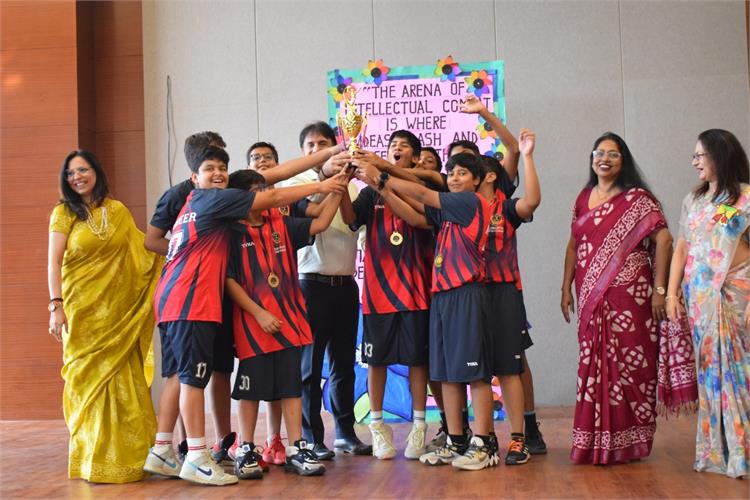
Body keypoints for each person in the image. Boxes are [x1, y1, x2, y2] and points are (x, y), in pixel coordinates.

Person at [152, 145, 348, 486]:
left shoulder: (201, 206)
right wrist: (322, 183)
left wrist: (332, 166)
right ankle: (198, 455)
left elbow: (280, 185)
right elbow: (274, 193)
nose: (217, 173)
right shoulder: (216, 202)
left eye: (221, 168)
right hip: (192, 301)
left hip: (175, 301)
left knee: (178, 377)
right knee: (194, 379)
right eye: (209, 168)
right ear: (194, 176)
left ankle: (161, 450)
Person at [355, 152, 496, 470]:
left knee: (475, 372)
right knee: (445, 373)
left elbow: (421, 194)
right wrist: (382, 190)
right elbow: (416, 217)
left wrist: (381, 176)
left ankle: (484, 444)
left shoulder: (468, 202)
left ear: (476, 180)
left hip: (466, 293)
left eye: (462, 173)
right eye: (452, 173)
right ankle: (456, 440)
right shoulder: (448, 210)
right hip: (442, 296)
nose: (455, 178)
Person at [48, 150, 163, 483]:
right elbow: (53, 262)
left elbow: (143, 253)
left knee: (124, 380)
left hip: (117, 316)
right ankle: (90, 460)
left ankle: (131, 459)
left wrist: (180, 248)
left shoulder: (118, 212)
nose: (77, 177)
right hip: (80, 315)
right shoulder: (63, 213)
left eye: (83, 170)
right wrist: (56, 305)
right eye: (71, 173)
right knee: (85, 384)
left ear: (96, 172)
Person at [561, 132, 672, 464]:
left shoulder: (638, 199)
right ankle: (594, 442)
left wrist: (660, 290)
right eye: (599, 153)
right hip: (591, 296)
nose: (604, 159)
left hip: (631, 297)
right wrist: (565, 286)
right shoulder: (583, 198)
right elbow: (573, 245)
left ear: (624, 161)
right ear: (592, 158)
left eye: (613, 154)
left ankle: (630, 441)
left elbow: (664, 240)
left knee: (633, 366)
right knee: (593, 363)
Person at [226, 169, 346, 478]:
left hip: (289, 322)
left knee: (291, 387)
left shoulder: (280, 223)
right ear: (240, 198)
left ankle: (296, 448)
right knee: (250, 390)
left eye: (265, 188)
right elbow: (228, 281)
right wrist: (259, 313)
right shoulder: (231, 231)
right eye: (256, 190)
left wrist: (339, 187)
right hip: (254, 325)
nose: (265, 194)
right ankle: (246, 448)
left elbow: (320, 223)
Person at [666, 128, 750, 479]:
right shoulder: (694, 200)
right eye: (695, 156)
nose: (695, 162)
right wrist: (671, 293)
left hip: (737, 295)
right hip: (700, 301)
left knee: (740, 372)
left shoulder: (745, 197)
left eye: (700, 155)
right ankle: (717, 450)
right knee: (710, 375)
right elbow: (681, 248)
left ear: (720, 155)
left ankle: (742, 452)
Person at [288, 121, 371, 459]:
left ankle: (345, 433)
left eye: (323, 143)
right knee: (309, 368)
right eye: (310, 145)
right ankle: (311, 438)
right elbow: (310, 209)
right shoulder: (297, 183)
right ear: (303, 152)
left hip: (346, 285)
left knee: (344, 366)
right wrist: (326, 176)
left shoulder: (353, 188)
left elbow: (358, 226)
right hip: (311, 285)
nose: (317, 149)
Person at [350, 130, 432, 460]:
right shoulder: (370, 194)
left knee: (417, 360)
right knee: (376, 361)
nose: (396, 149)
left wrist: (383, 177)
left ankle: (419, 426)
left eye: (404, 146)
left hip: (415, 291)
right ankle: (377, 426)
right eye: (392, 146)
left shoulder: (421, 186)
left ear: (415, 156)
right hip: (378, 292)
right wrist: (342, 184)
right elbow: (351, 219)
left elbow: (422, 218)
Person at [477, 129, 541, 466]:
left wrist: (527, 157)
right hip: (470, 295)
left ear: (487, 176)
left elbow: (532, 201)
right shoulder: (458, 209)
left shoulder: (505, 207)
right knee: (477, 370)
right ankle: (484, 440)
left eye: (468, 172)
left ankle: (518, 439)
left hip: (504, 293)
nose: (458, 177)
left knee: (509, 368)